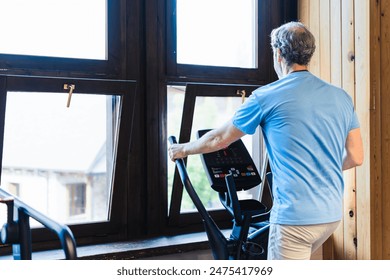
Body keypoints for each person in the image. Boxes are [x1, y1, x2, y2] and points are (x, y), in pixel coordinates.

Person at [168, 21, 363, 260]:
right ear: (308, 54)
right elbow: (355, 156)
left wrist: (182, 150)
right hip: (330, 215)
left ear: (278, 54)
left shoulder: (266, 96)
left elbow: (219, 139)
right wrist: (321, 166)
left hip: (295, 219)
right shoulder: (341, 97)